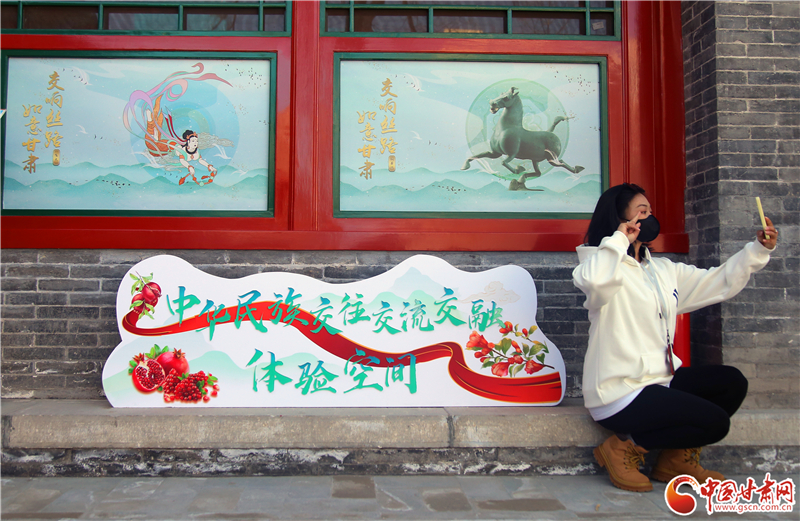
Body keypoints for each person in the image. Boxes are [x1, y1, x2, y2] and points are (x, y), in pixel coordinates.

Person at [572, 183, 778, 492]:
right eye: (641, 212)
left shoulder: (662, 270)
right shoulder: (597, 265)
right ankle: (623, 448)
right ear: (620, 219)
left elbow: (718, 281)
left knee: (731, 383)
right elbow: (596, 282)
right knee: (715, 422)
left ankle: (675, 460)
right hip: (619, 391)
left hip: (660, 380)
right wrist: (618, 240)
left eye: (650, 211)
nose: (649, 218)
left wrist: (758, 250)